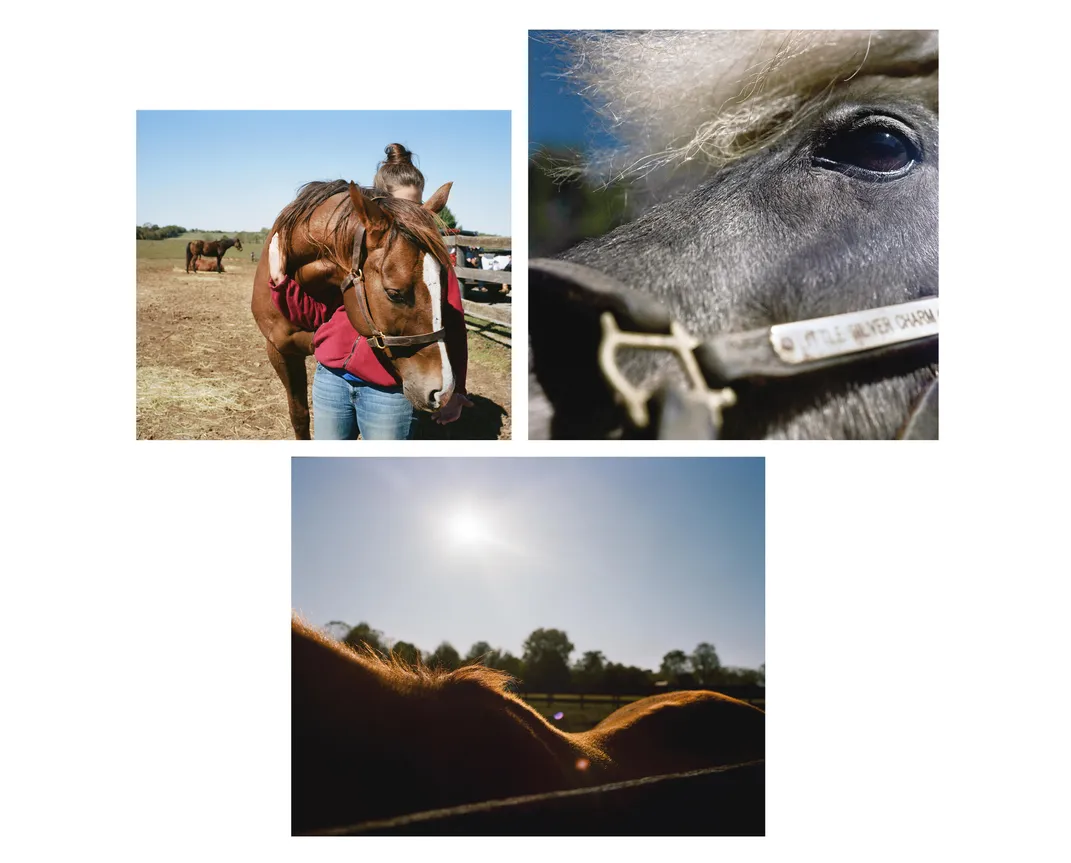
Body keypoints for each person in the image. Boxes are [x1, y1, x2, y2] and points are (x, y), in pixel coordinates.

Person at [271, 144, 473, 439]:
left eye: (417, 209)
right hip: (332, 378)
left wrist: (457, 390)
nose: (410, 219)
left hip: (387, 391)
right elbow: (318, 316)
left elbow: (454, 324)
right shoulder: (353, 256)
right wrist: (280, 281)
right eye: (402, 208)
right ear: (379, 203)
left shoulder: (429, 265)